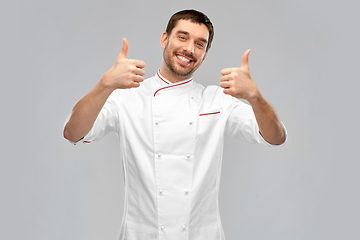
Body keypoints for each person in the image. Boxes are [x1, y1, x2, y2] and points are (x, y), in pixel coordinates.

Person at [64, 9, 286, 240]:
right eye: (182, 37)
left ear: (205, 54)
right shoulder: (127, 98)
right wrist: (104, 85)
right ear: (164, 39)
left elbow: (275, 136)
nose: (189, 49)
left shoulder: (217, 100)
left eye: (200, 44)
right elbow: (73, 132)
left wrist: (255, 97)